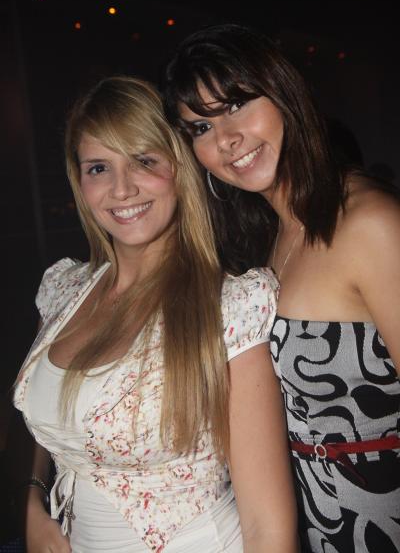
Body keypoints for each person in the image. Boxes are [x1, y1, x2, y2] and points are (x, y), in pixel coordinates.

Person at [13, 76, 298, 553]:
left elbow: (268, 527)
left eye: (144, 161)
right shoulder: (62, 289)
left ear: (179, 168)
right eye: (99, 167)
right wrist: (29, 499)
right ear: (79, 182)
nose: (122, 189)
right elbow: (42, 417)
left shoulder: (230, 306)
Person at [162, 24, 400, 553]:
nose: (226, 139)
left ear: (284, 92)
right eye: (200, 127)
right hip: (316, 524)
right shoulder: (271, 239)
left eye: (236, 105)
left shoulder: (371, 224)